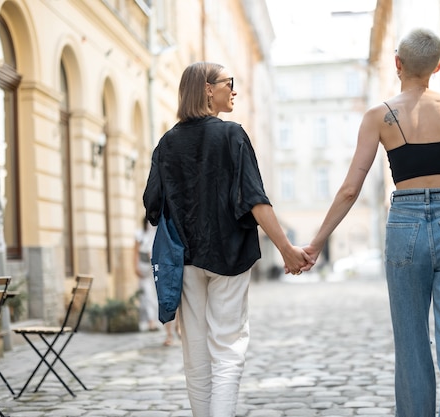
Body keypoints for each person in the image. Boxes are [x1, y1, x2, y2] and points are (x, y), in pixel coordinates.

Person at [303, 28, 440, 417]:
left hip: (405, 227)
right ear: (438, 66)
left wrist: (315, 243)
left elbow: (351, 188)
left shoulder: (379, 116)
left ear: (397, 64)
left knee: (411, 344)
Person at [143, 61, 313, 417]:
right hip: (229, 255)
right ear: (207, 89)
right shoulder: (232, 135)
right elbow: (254, 199)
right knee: (229, 348)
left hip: (185, 259)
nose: (233, 90)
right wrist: (287, 250)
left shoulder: (166, 143)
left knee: (196, 354)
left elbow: (152, 205)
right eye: (228, 83)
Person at [134, 216, 177, 346]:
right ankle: (152, 321)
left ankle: (171, 331)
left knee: (162, 297)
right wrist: (135, 266)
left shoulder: (163, 227)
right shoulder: (141, 233)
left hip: (162, 267)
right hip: (146, 266)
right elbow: (135, 251)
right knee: (148, 295)